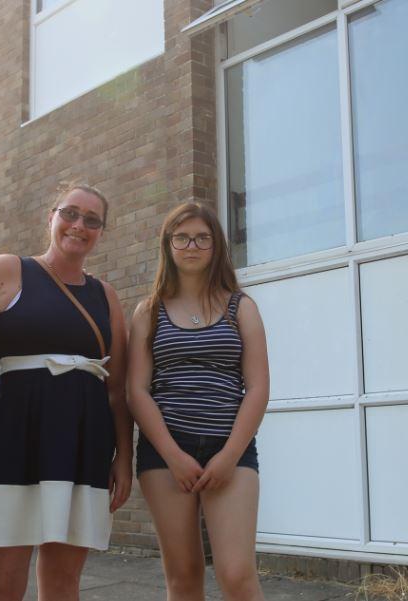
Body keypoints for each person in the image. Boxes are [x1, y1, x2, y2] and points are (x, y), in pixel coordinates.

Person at [0, 184, 131, 601]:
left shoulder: (106, 296)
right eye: (70, 213)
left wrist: (125, 457)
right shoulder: (7, 270)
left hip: (82, 443)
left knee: (63, 583)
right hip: (10, 438)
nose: (79, 226)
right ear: (50, 217)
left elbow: (117, 389)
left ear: (101, 231)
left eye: (92, 220)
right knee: (0, 585)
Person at [126, 202, 270, 601]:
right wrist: (172, 455)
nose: (192, 245)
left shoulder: (242, 307)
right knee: (184, 575)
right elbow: (136, 391)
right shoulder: (148, 312)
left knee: (238, 575)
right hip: (166, 456)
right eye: (182, 237)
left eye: (203, 238)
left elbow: (257, 388)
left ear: (216, 246)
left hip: (232, 452)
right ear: (168, 245)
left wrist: (228, 455)